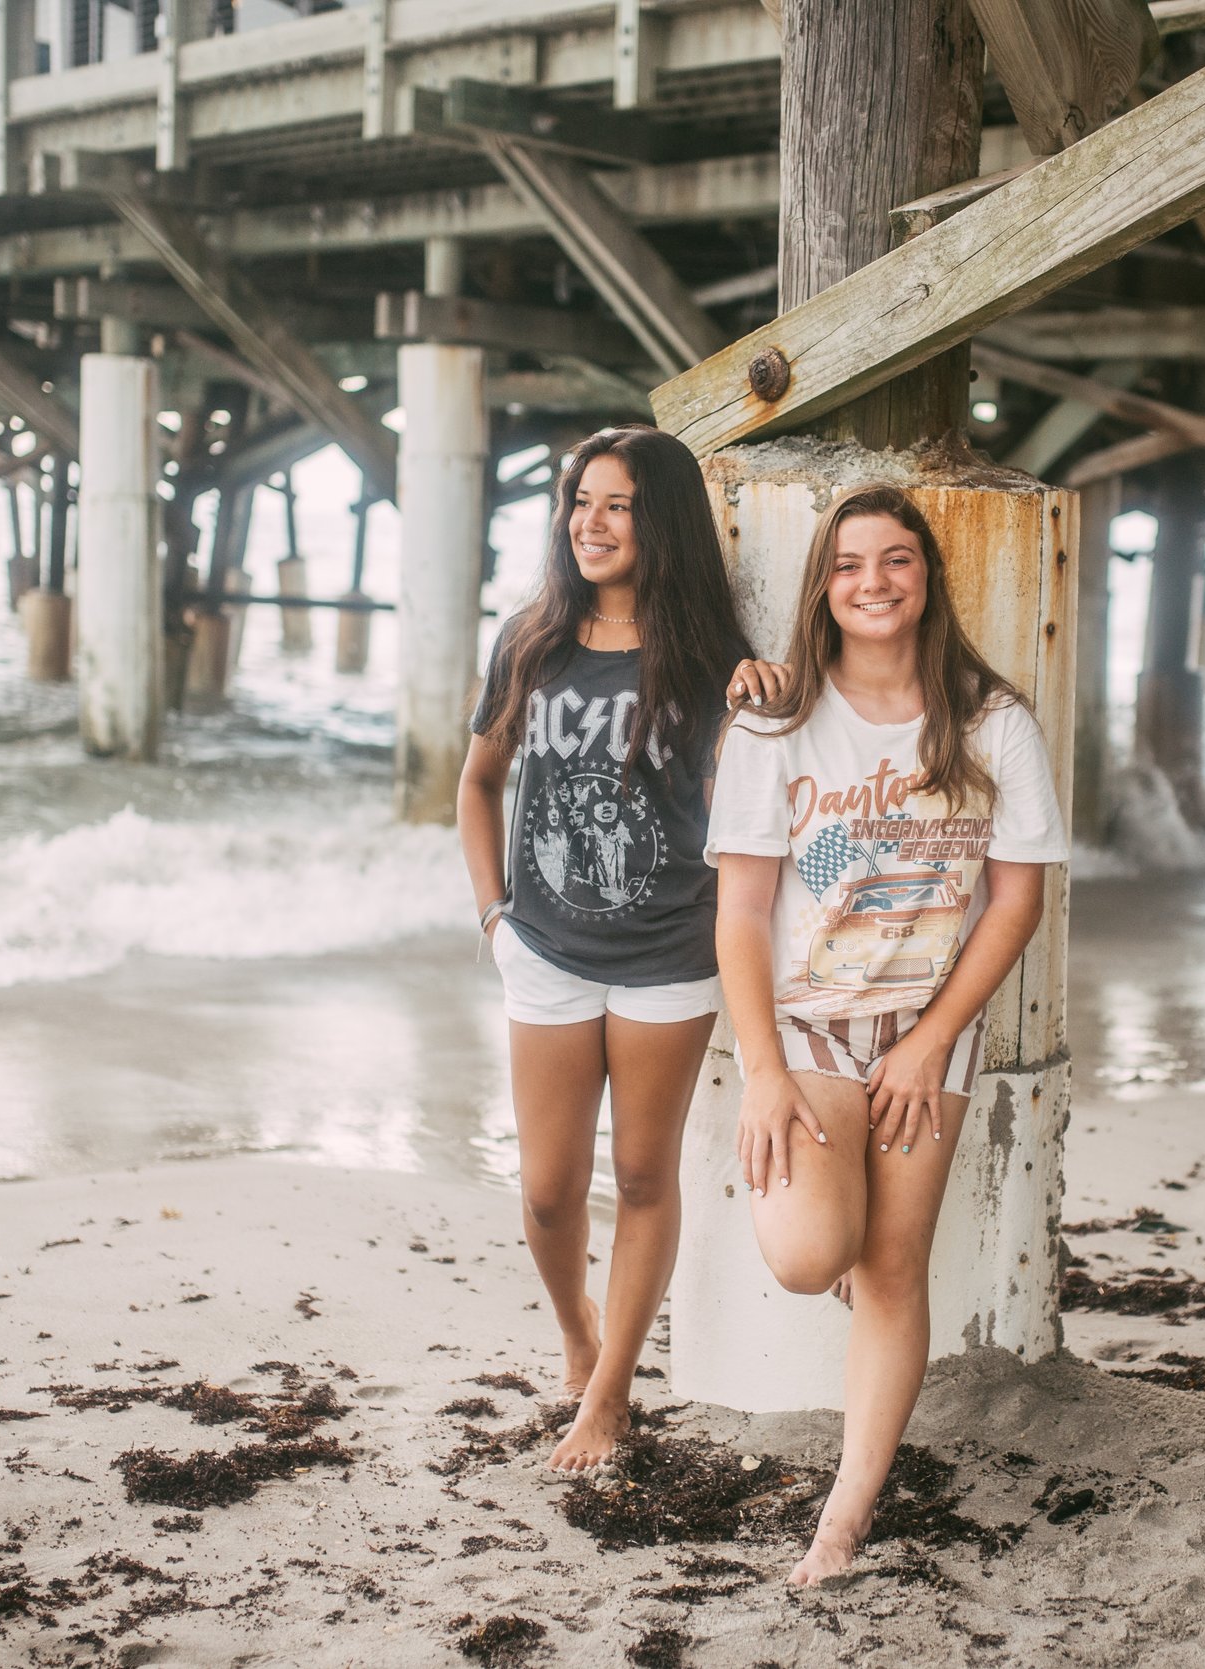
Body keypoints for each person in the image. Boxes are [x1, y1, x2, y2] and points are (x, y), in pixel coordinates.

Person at [703, 484, 1069, 1585]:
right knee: (817, 1255)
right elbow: (739, 914)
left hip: (929, 1029)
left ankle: (843, 1519)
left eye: (897, 560)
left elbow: (1015, 900)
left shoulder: (991, 720)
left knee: (895, 1267)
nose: (875, 581)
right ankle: (841, 1202)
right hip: (811, 1027)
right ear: (823, 585)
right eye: (852, 563)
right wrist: (762, 1072)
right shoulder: (771, 723)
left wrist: (929, 1041)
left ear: (926, 579)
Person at [456, 424, 785, 1474]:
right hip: (544, 951)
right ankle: (575, 1332)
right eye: (579, 502)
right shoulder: (530, 641)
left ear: (663, 522)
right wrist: (493, 917)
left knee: (644, 1178)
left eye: (617, 506)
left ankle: (609, 1396)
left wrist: (772, 697)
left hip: (667, 959)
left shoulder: (708, 664)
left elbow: (757, 794)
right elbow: (476, 784)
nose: (588, 524)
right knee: (548, 1190)